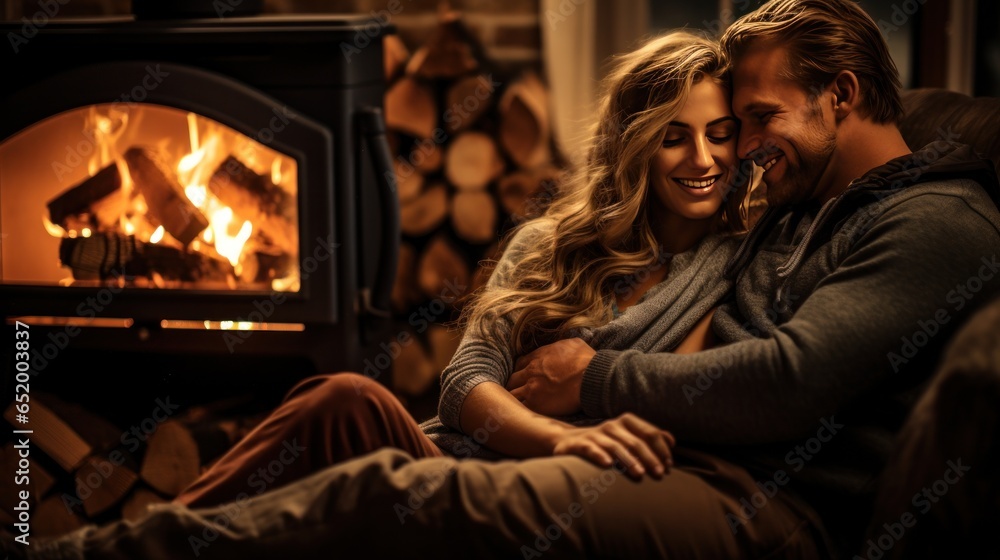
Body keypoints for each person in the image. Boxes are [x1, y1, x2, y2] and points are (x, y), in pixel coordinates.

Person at [7, 0, 1000, 558]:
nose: (733, 150)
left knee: (386, 492)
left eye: (750, 120)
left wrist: (586, 385)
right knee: (346, 403)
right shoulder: (793, 202)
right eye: (703, 131)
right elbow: (476, 374)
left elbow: (787, 376)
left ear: (845, 94)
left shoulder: (932, 216)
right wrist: (541, 410)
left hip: (756, 506)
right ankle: (129, 541)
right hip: (648, 453)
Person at [168, 27, 754, 510]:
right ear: (635, 147)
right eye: (673, 138)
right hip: (473, 459)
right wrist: (559, 440)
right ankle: (164, 536)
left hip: (553, 501)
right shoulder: (545, 247)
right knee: (345, 400)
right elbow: (463, 384)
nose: (703, 159)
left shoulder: (733, 267)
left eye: (719, 135)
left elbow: (683, 402)